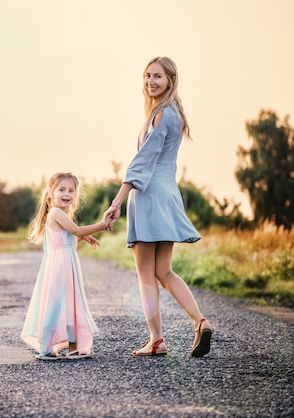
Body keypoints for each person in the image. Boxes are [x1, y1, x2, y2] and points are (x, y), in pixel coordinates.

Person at [103, 56, 213, 357]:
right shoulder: (175, 114)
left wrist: (116, 202)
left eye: (158, 77)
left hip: (149, 196)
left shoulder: (162, 115)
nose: (151, 81)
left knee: (145, 274)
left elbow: (142, 162)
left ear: (171, 80)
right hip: (168, 195)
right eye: (147, 76)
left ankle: (156, 340)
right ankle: (200, 321)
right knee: (164, 270)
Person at [21, 172, 107, 360]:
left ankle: (73, 347)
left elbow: (70, 233)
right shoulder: (56, 212)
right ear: (51, 193)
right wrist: (101, 225)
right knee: (56, 304)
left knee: (70, 304)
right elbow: (74, 230)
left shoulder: (64, 214)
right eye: (61, 189)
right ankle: (46, 346)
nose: (66, 194)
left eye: (71, 190)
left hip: (67, 263)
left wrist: (84, 236)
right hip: (60, 265)